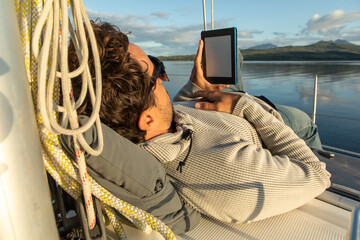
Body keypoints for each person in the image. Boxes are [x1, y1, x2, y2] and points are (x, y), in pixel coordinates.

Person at [69, 21, 330, 224]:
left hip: (211, 109)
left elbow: (176, 115)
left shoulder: (147, 128)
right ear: (147, 119)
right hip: (263, 121)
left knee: (231, 53)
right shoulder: (234, 176)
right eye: (157, 71)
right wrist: (244, 104)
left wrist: (194, 86)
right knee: (304, 122)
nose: (164, 78)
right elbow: (317, 174)